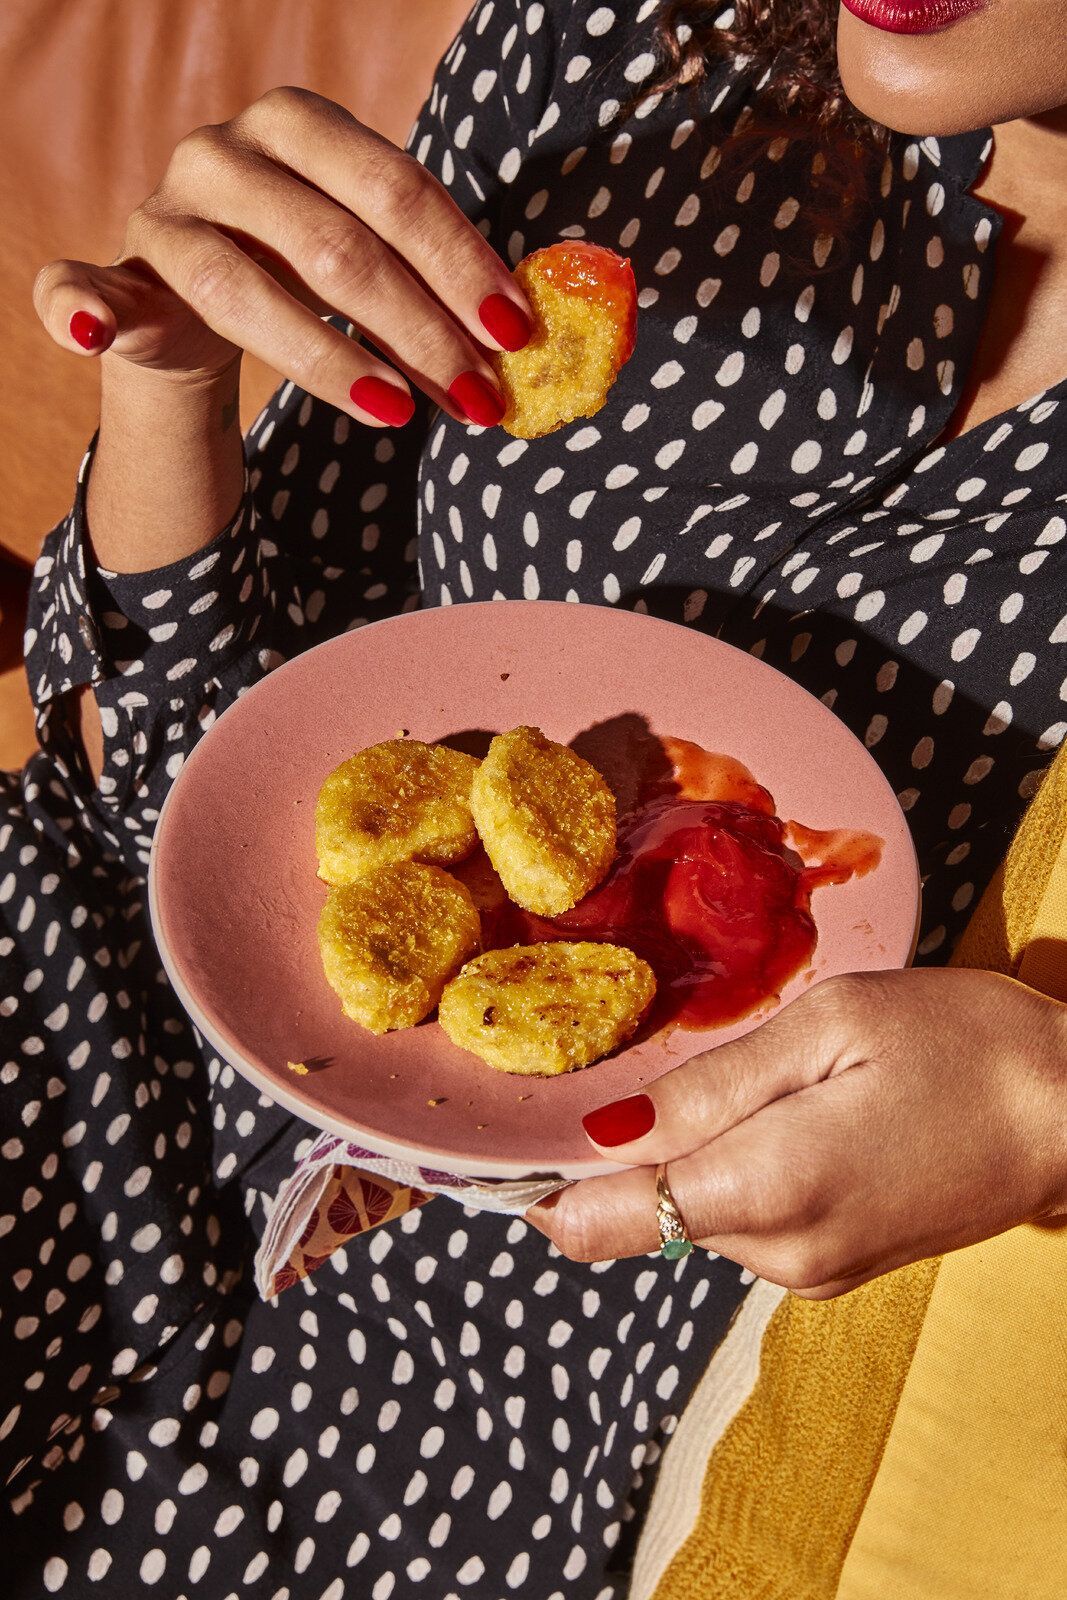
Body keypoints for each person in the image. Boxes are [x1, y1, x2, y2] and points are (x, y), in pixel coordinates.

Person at [4, 0, 1064, 1594]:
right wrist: (168, 381)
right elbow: (199, 779)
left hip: (517, 1407)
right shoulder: (622, 48)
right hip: (108, 1076)